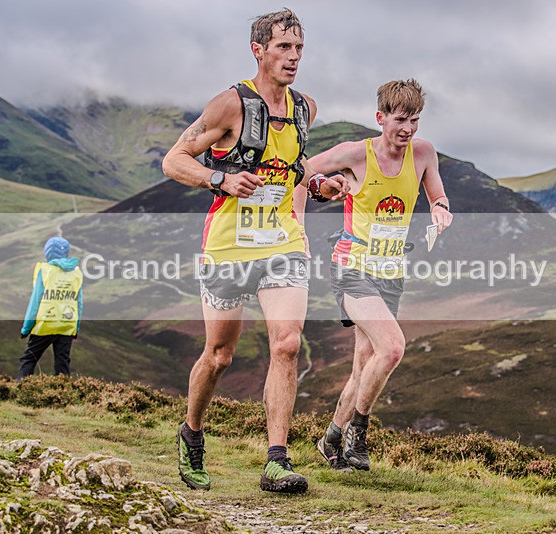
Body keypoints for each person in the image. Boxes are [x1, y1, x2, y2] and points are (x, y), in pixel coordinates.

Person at [162, 8, 347, 493]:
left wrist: (321, 184)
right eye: (283, 47)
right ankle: (192, 432)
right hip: (227, 245)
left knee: (287, 344)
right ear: (258, 50)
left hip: (283, 242)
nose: (293, 57)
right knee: (220, 355)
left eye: (299, 48)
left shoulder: (305, 107)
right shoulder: (229, 105)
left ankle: (276, 461)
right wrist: (220, 178)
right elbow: (174, 160)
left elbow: (292, 166)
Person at [306, 79, 453, 472]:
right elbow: (299, 170)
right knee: (391, 348)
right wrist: (319, 190)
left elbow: (436, 194)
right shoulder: (355, 154)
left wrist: (440, 210)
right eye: (401, 120)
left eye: (415, 120)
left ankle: (331, 439)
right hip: (351, 266)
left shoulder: (423, 153)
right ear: (381, 118)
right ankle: (358, 432)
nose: (408, 129)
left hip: (390, 272)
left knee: (363, 367)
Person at [17, 236, 83, 380]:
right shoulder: (76, 273)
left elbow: (35, 301)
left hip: (45, 324)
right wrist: (75, 328)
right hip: (66, 325)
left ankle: (19, 393)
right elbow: (79, 303)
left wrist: (26, 328)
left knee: (28, 359)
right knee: (62, 363)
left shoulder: (45, 270)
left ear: (48, 252)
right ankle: (64, 395)